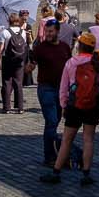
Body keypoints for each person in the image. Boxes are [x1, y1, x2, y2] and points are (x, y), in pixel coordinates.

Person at [29, 19, 72, 158]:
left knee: (56, 120)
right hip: (45, 88)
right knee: (51, 120)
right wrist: (27, 67)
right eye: (46, 31)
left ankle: (55, 149)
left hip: (62, 89)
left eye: (50, 31)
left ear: (57, 32)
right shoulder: (40, 48)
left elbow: (70, 66)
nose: (47, 34)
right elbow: (31, 65)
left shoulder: (65, 47)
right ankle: (50, 155)